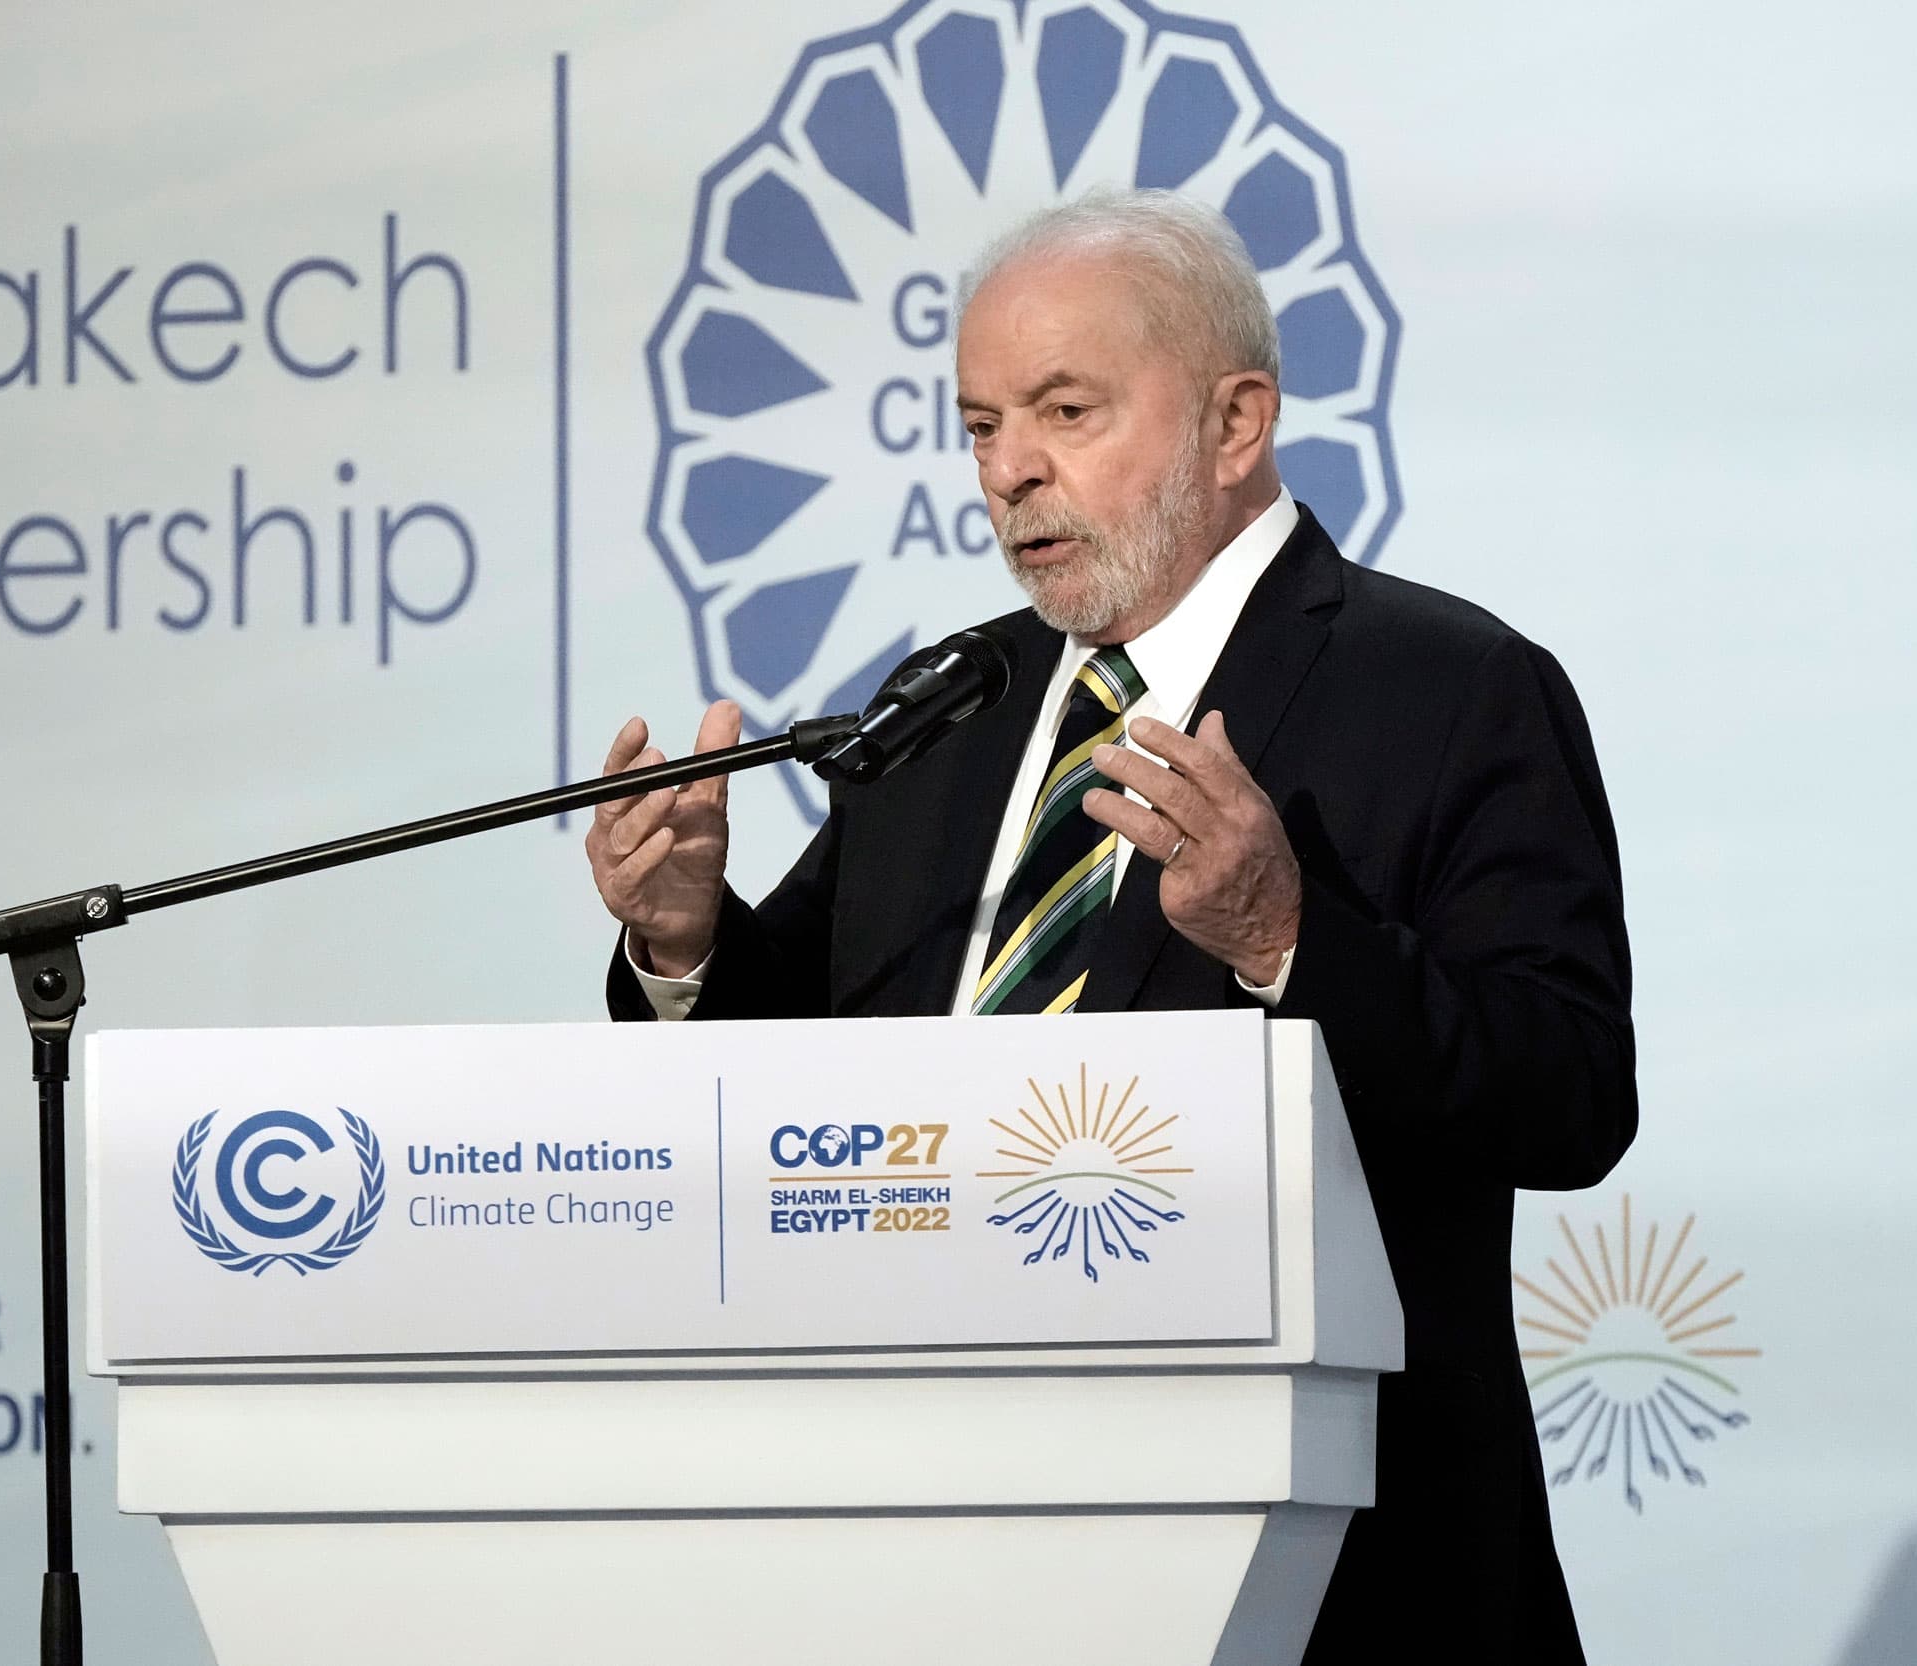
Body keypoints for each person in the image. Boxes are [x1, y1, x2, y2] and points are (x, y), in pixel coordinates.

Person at [585, 187, 1634, 1661]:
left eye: (1065, 411)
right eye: (979, 424)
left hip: (1332, 1580)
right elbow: (813, 1074)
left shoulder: (1453, 689)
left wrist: (1287, 936)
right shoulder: (953, 703)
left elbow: (1573, 1092)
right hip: (931, 1551)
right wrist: (689, 943)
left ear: (1235, 422)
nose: (1011, 471)